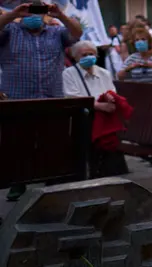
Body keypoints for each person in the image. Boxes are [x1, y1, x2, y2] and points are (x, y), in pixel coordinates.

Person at [0, 0, 82, 202]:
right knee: (19, 143)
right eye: (29, 11)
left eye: (38, 11)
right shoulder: (10, 31)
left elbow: (77, 33)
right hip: (18, 98)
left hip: (50, 97)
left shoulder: (57, 33)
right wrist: (13, 14)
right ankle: (18, 183)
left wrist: (60, 15)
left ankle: (52, 181)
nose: (33, 16)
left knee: (52, 142)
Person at [63, 40, 128, 178]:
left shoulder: (104, 73)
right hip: (83, 117)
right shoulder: (69, 73)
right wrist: (99, 106)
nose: (88, 57)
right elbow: (72, 97)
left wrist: (110, 99)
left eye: (91, 54)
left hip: (105, 118)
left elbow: (111, 91)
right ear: (76, 57)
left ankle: (106, 174)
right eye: (84, 54)